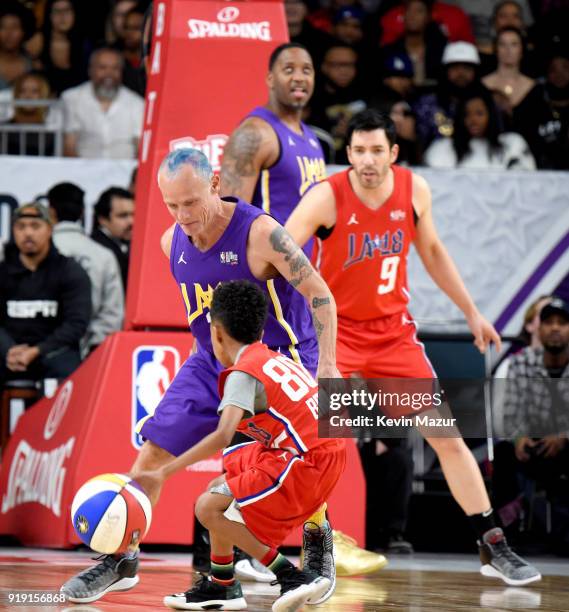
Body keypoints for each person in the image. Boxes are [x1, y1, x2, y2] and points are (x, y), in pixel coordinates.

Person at [61, 147, 340, 604]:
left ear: (214, 185)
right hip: (213, 358)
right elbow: (199, 314)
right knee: (152, 451)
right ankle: (122, 556)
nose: (182, 215)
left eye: (190, 203)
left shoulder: (262, 233)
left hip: (277, 357)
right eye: (172, 205)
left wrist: (326, 367)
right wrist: (203, 365)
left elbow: (320, 294)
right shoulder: (172, 243)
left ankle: (316, 539)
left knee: (291, 460)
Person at [284, 109, 542, 586]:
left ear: (393, 153)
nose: (367, 160)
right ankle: (300, 547)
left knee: (445, 436)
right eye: (358, 151)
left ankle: (492, 541)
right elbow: (280, 252)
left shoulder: (413, 191)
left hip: (392, 336)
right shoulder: (326, 197)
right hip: (336, 335)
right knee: (322, 444)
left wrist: (471, 312)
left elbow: (435, 252)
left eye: (376, 150)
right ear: (348, 154)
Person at [220, 42, 385, 576]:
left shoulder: (312, 139)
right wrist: (239, 294)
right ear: (268, 77)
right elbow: (228, 214)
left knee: (314, 415)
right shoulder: (257, 133)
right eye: (288, 68)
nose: (300, 77)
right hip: (269, 297)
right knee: (295, 414)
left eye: (308, 69)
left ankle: (297, 537)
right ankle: (274, 536)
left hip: (300, 294)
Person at [137, 280, 346, 612]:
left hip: (307, 461)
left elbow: (222, 435)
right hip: (321, 451)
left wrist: (163, 472)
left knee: (207, 507)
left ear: (216, 334)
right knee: (222, 482)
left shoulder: (242, 374)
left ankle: (290, 576)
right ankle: (222, 585)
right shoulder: (270, 357)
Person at [493, 298, 569, 552]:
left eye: (562, 323)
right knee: (505, 453)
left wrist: (563, 437)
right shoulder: (520, 362)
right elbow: (510, 412)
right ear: (538, 328)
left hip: (566, 445)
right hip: (533, 444)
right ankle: (508, 536)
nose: (555, 328)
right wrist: (519, 437)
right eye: (548, 322)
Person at [0, 203, 91, 386]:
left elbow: (76, 323)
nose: (27, 233)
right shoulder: (3, 271)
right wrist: (8, 350)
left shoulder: (70, 271)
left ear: (50, 229)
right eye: (21, 226)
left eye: (35, 226)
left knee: (68, 368)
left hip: (53, 351)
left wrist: (36, 350)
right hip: (9, 352)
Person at [48, 182, 124, 354]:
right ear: (83, 212)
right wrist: (90, 351)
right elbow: (112, 316)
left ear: (51, 211)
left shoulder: (35, 254)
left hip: (39, 353)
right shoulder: (104, 255)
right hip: (89, 354)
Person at [62, 46, 144, 158]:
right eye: (102, 68)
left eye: (115, 68)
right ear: (90, 70)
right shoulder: (72, 98)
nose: (109, 74)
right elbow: (69, 146)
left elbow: (139, 148)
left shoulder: (137, 103)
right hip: (82, 171)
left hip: (125, 172)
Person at [424, 88, 536, 169]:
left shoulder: (512, 144)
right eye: (466, 114)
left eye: (479, 113)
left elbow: (525, 186)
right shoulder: (443, 148)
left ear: (491, 115)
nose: (472, 120)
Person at [413, 41, 482, 148]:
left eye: (466, 68)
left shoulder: (486, 104)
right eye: (455, 68)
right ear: (445, 71)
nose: (461, 74)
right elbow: (417, 143)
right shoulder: (427, 104)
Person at [91, 186, 134, 292]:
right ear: (103, 219)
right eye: (122, 216)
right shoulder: (95, 248)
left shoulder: (129, 245)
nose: (131, 221)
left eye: (134, 214)